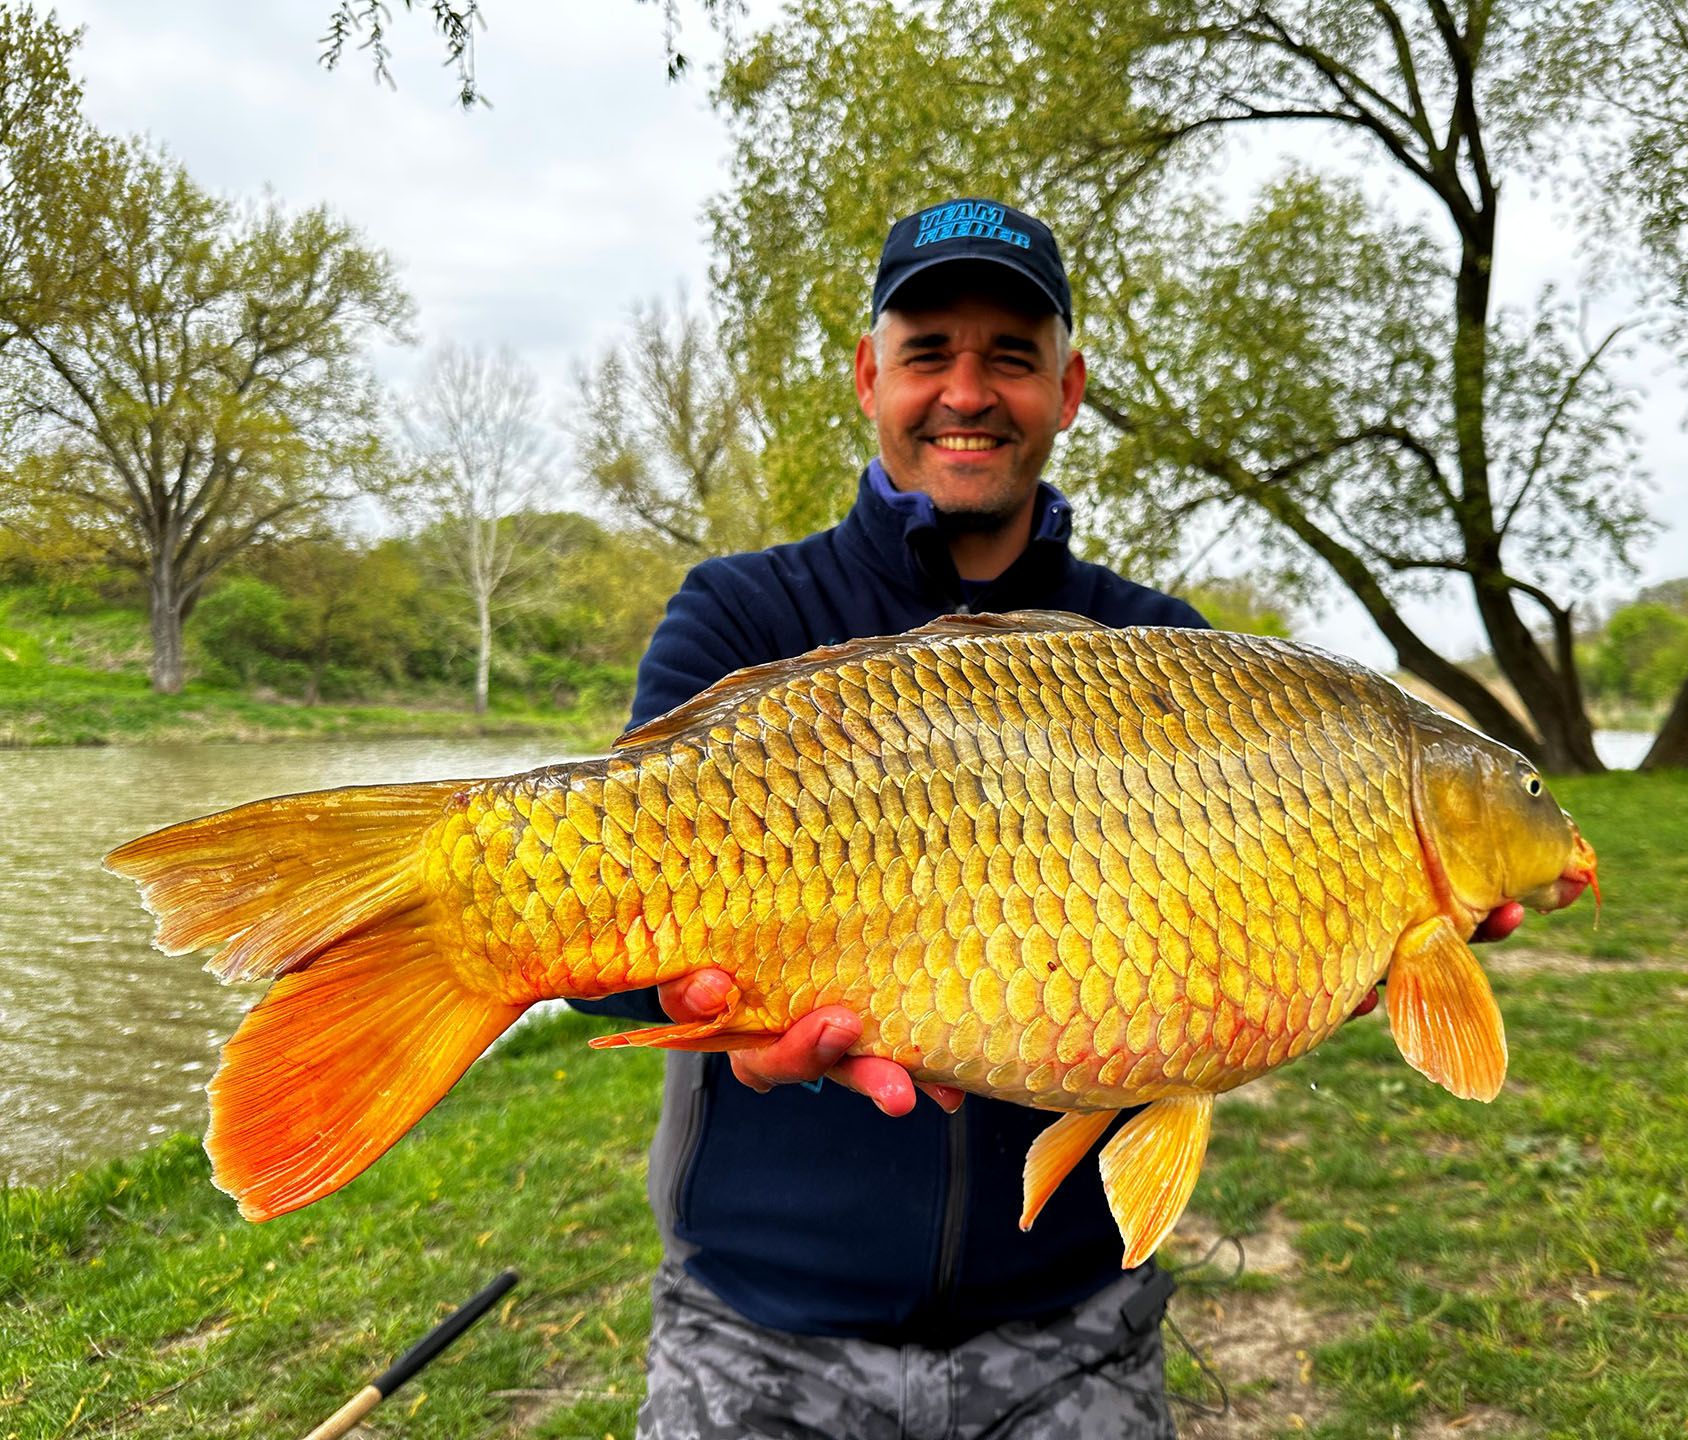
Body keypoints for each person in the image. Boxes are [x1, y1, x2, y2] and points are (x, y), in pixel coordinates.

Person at [576, 198, 1518, 1438]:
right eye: (929, 353)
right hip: (758, 1334)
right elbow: (603, 960)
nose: (968, 391)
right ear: (871, 376)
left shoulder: (1180, 656)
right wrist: (698, 1013)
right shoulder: (743, 614)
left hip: (1076, 1336)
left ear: (1068, 388)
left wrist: (1331, 950)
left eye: (1011, 357)